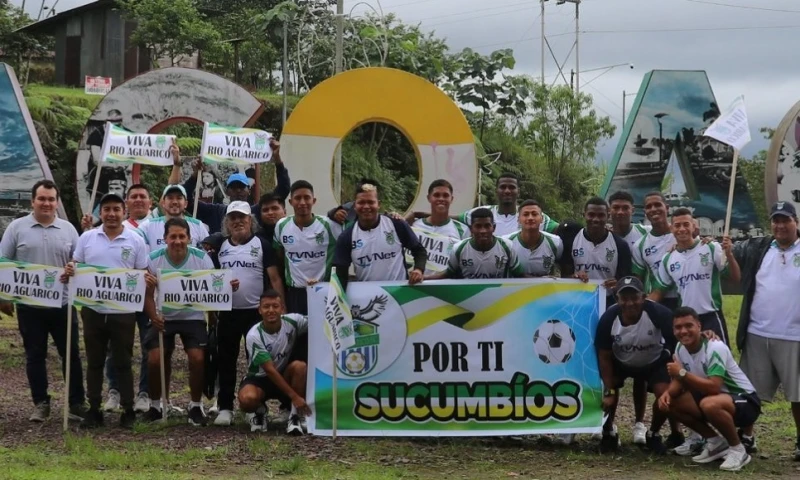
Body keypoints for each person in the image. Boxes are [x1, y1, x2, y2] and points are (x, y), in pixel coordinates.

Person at [0, 180, 86, 423]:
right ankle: (41, 403)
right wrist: (3, 297)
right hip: (30, 307)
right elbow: (3, 262)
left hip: (63, 305)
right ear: (33, 201)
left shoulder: (68, 229)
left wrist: (74, 267)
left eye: (51, 199)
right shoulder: (16, 228)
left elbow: (80, 261)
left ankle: (76, 402)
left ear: (57, 202)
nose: (47, 203)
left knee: (70, 355)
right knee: (34, 356)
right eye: (42, 199)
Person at [66, 192, 150, 429]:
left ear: (124, 212)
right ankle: (94, 409)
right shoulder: (87, 237)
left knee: (123, 360)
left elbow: (141, 273)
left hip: (123, 311)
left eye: (116, 209)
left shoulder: (135, 240)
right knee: (94, 360)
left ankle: (128, 409)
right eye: (107, 209)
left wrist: (147, 280)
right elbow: (77, 265)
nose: (111, 214)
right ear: (100, 213)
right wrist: (72, 269)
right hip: (92, 310)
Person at [733, 201, 800, 459]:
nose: (780, 225)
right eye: (776, 220)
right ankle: (747, 437)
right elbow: (728, 250)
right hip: (758, 333)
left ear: (795, 222)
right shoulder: (760, 247)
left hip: (794, 335)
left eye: (785, 220)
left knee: (797, 395)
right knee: (750, 391)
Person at [658, 307, 761, 472]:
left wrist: (682, 373)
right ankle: (716, 443)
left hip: (745, 401)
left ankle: (738, 449)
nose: (683, 331)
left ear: (699, 326)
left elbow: (714, 386)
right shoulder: (679, 348)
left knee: (709, 404)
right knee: (671, 402)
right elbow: (679, 381)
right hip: (716, 399)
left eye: (688, 325)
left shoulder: (714, 347)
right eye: (678, 327)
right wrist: (666, 394)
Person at [214, 202, 285, 426]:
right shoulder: (220, 247)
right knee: (225, 360)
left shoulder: (261, 244)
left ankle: (255, 406)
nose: (237, 221)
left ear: (250, 220)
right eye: (232, 218)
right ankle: (225, 406)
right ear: (227, 222)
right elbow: (212, 282)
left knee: (256, 361)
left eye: (242, 217)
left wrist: (281, 307)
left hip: (256, 314)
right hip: (228, 312)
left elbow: (274, 278)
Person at [142, 217, 218, 426]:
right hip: (162, 316)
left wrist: (212, 321)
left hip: (192, 317)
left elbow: (213, 291)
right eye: (173, 236)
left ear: (189, 238)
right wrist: (153, 316)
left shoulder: (201, 258)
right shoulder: (153, 259)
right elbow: (147, 295)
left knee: (197, 358)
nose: (177, 241)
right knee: (155, 358)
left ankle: (195, 405)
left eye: (182, 236)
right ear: (165, 238)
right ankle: (156, 406)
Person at [595, 276, 678, 454]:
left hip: (654, 362)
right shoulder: (609, 317)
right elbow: (604, 356)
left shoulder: (659, 313)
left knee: (666, 397)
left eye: (635, 297)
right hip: (621, 362)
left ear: (644, 297)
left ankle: (653, 434)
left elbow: (676, 341)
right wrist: (608, 390)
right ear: (617, 298)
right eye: (624, 298)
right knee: (605, 392)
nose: (630, 303)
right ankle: (608, 432)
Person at [651, 207, 740, 344]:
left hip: (711, 316)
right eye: (677, 225)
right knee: (690, 362)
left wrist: (729, 255)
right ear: (672, 228)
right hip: (686, 321)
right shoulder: (667, 259)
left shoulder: (711, 248)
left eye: (686, 224)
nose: (682, 229)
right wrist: (643, 308)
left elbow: (735, 278)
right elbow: (659, 291)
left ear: (694, 226)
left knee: (718, 359)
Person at [175, 137, 289, 234]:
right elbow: (186, 201)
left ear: (248, 190)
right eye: (234, 188)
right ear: (227, 191)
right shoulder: (215, 212)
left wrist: (277, 160)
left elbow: (283, 190)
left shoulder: (258, 211)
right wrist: (195, 175)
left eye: (241, 187)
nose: (238, 191)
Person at [238, 290, 311, 434]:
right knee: (247, 399)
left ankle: (294, 416)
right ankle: (260, 411)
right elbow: (269, 370)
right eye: (266, 307)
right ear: (259, 310)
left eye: (275, 306)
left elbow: (319, 320)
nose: (271, 310)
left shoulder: (294, 321)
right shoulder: (254, 335)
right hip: (260, 378)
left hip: (284, 374)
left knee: (300, 367)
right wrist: (295, 397)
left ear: (282, 308)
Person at [333, 179, 427, 290]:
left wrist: (418, 269)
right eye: (361, 202)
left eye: (371, 202)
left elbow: (419, 251)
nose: (366, 206)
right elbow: (340, 274)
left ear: (378, 204)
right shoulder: (346, 237)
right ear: (355, 206)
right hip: (368, 297)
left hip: (400, 295)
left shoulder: (396, 224)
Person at [273, 180, 341, 314]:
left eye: (307, 198)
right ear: (291, 201)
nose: (302, 202)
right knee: (298, 334)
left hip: (323, 290)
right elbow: (280, 255)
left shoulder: (330, 225)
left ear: (314, 200)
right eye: (298, 198)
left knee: (322, 333)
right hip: (295, 294)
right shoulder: (281, 226)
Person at [560, 197, 632, 303]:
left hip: (608, 301)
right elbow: (564, 276)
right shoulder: (571, 242)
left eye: (601, 215)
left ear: (608, 216)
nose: (596, 219)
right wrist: (574, 277)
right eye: (591, 215)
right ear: (584, 215)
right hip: (578, 300)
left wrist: (618, 283)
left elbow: (626, 280)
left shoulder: (620, 245)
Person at [428, 207, 524, 280]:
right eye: (478, 226)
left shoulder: (507, 246)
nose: (483, 231)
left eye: (487, 226)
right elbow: (448, 274)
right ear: (471, 229)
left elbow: (520, 275)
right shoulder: (458, 249)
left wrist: (539, 282)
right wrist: (423, 278)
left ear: (494, 228)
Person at [458, 173, 559, 236]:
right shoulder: (483, 213)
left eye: (511, 187)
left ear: (518, 191)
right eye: (503, 187)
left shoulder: (529, 215)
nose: (507, 191)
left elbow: (560, 229)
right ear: (496, 191)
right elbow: (452, 219)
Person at [631, 192, 679, 310]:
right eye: (649, 207)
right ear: (645, 212)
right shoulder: (640, 245)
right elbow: (638, 281)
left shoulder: (682, 235)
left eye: (657, 205)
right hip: (658, 301)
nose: (653, 209)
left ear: (667, 208)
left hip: (684, 298)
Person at [410, 179, 469, 274]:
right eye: (436, 195)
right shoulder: (414, 225)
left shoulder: (463, 230)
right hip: (414, 284)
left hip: (446, 286)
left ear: (451, 199)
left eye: (445, 195)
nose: (441, 199)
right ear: (429, 198)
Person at [136, 185, 210, 251]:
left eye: (179, 198)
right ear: (163, 203)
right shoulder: (148, 226)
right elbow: (132, 242)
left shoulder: (198, 226)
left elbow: (207, 254)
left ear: (185, 204)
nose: (174, 202)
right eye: (170, 198)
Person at [504, 200, 563, 277]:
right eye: (526, 214)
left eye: (534, 214)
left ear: (542, 218)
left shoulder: (555, 243)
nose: (530, 218)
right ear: (518, 219)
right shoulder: (507, 243)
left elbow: (564, 270)